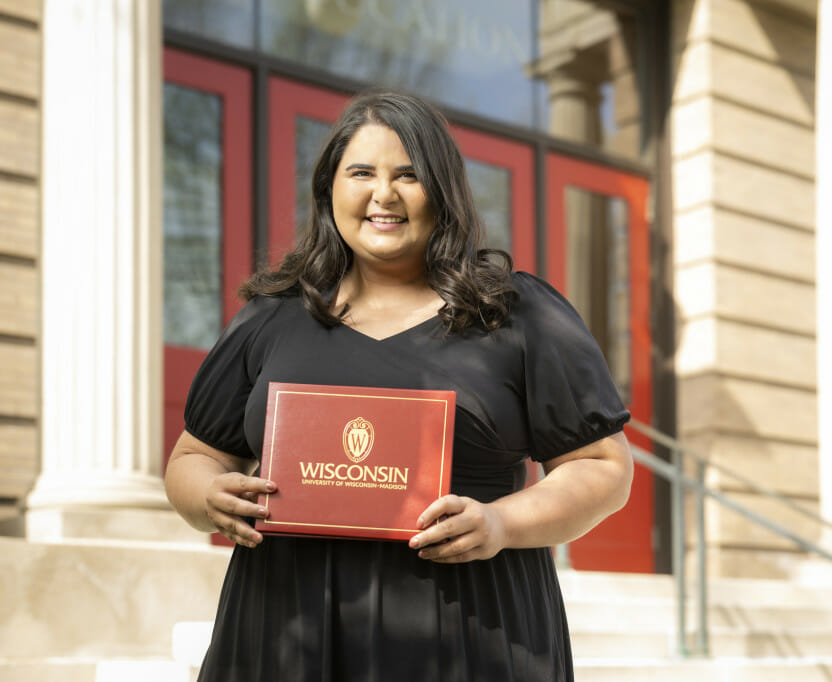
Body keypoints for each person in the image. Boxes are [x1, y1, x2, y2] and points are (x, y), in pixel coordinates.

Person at [164, 89, 633, 682]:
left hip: (472, 632)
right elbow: (193, 458)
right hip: (285, 632)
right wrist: (209, 497)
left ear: (442, 191)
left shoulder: (516, 314)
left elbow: (603, 467)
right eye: (362, 172)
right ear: (329, 188)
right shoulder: (271, 315)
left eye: (408, 176)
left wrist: (500, 523)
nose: (383, 195)